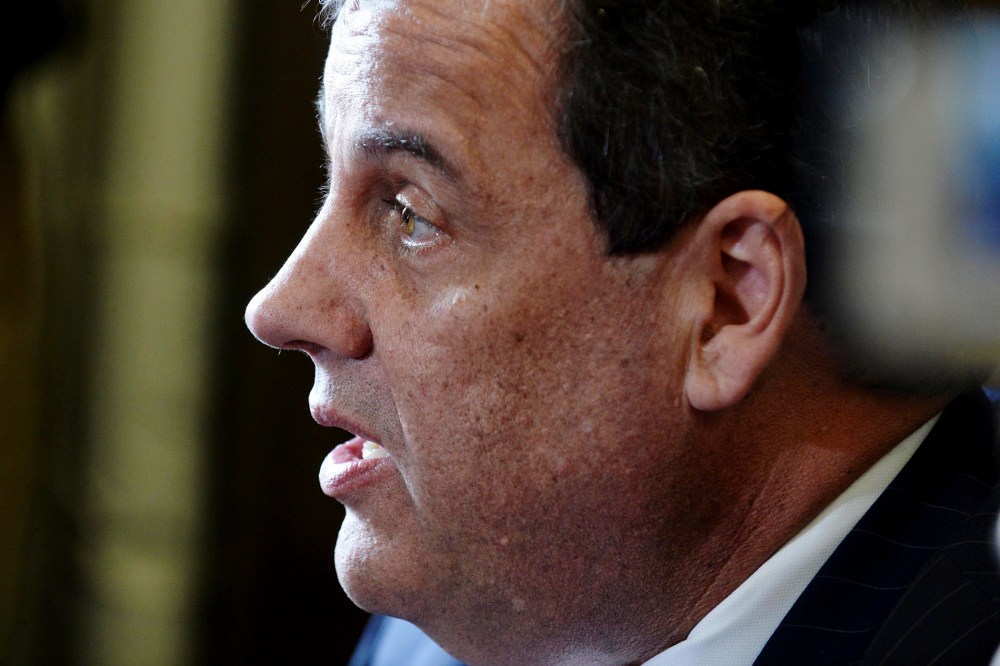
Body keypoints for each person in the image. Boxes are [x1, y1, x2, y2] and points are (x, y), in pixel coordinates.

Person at [244, 0, 1000, 663]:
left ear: (726, 304)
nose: (277, 309)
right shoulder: (463, 614)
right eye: (330, 180)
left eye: (411, 213)